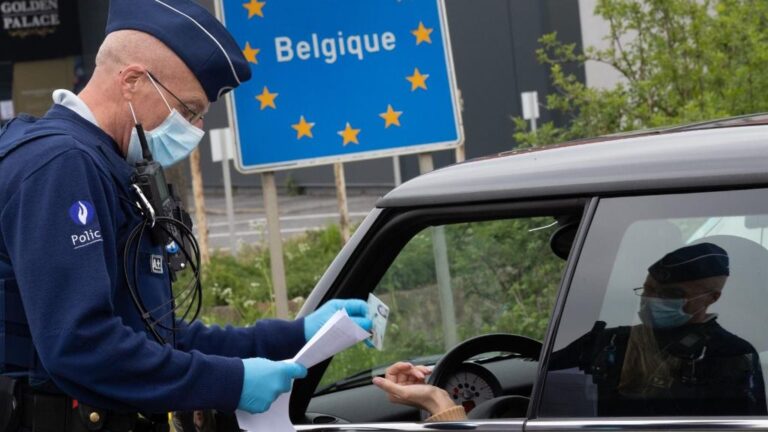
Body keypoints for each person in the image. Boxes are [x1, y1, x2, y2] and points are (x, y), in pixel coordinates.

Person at [0, 0, 370, 431]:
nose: (194, 128)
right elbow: (81, 346)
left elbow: (158, 335)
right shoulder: (59, 166)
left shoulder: (106, 165)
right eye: (189, 109)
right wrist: (230, 382)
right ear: (133, 81)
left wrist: (294, 336)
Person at [374, 243, 767, 419]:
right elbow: (541, 373)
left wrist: (442, 407)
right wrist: (432, 377)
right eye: (647, 291)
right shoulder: (609, 341)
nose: (651, 302)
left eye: (669, 294)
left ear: (711, 298)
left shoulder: (732, 356)